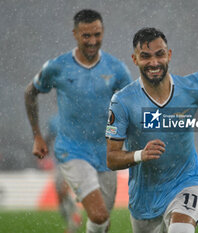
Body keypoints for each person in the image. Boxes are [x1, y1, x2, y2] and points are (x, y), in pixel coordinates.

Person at [24, 9, 132, 233]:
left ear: (103, 32)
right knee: (99, 214)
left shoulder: (116, 69)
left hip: (107, 153)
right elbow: (30, 93)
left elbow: (133, 104)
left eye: (97, 35)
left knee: (102, 220)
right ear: (75, 34)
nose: (93, 41)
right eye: (86, 36)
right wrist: (37, 136)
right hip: (72, 150)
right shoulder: (57, 67)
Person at [105, 27, 198, 233]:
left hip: (186, 180)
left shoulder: (191, 87)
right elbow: (111, 159)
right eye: (146, 56)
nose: (154, 63)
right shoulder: (122, 101)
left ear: (169, 55)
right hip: (144, 199)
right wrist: (141, 154)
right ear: (135, 59)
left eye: (160, 54)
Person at [43, 115, 82, 233]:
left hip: (74, 160)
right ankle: (74, 215)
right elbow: (48, 139)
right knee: (60, 196)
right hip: (59, 162)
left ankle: (72, 225)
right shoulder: (54, 121)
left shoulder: (76, 118)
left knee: (64, 190)